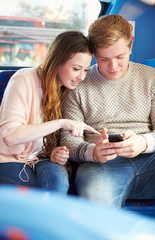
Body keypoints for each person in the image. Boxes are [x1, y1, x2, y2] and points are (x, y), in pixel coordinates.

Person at [60, 15, 155, 207]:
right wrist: (93, 152)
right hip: (99, 166)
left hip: (150, 160)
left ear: (131, 45)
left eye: (120, 57)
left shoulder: (151, 78)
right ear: (93, 53)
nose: (113, 67)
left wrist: (143, 142)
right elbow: (67, 139)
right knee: (96, 202)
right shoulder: (78, 84)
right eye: (104, 59)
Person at [0, 31, 99, 194]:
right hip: (9, 159)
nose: (82, 77)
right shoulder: (24, 79)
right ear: (57, 61)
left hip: (41, 159)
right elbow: (9, 136)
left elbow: (47, 143)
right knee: (31, 197)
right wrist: (60, 123)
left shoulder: (66, 90)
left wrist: (56, 153)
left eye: (85, 70)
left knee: (59, 183)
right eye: (76, 69)